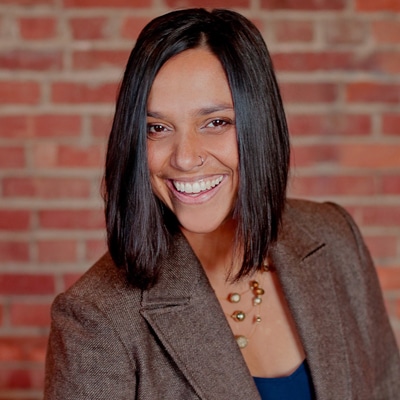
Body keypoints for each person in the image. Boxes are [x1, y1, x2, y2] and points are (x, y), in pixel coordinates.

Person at [44, 8, 400, 400]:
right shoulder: (96, 319)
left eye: (215, 122)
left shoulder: (334, 237)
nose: (184, 157)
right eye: (157, 128)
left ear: (259, 123)